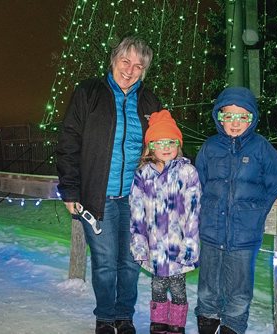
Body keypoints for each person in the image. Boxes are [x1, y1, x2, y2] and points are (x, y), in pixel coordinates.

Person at [55, 36, 162, 334]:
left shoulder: (150, 102)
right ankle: (104, 317)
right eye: (125, 61)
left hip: (137, 198)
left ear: (144, 71)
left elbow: (164, 145)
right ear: (114, 59)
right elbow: (68, 142)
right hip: (97, 197)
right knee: (104, 263)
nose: (130, 70)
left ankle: (123, 316)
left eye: (138, 66)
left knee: (130, 263)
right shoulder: (89, 92)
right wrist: (71, 190)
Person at [194, 87, 277, 334]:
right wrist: (205, 210)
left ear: (252, 118)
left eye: (242, 116)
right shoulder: (210, 147)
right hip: (212, 230)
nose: (235, 123)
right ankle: (207, 317)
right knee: (208, 283)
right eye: (229, 116)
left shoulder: (261, 148)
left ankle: (232, 325)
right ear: (219, 117)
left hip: (244, 234)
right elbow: (199, 180)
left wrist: (257, 211)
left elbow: (276, 181)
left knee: (239, 286)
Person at [129, 110, 201, 334]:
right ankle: (158, 322)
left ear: (178, 144)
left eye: (171, 141)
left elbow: (193, 210)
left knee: (178, 287)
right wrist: (139, 242)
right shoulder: (143, 175)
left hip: (178, 245)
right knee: (158, 285)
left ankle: (177, 324)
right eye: (160, 142)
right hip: (154, 246)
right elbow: (136, 210)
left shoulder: (188, 172)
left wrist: (190, 243)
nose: (166, 147)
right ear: (151, 146)